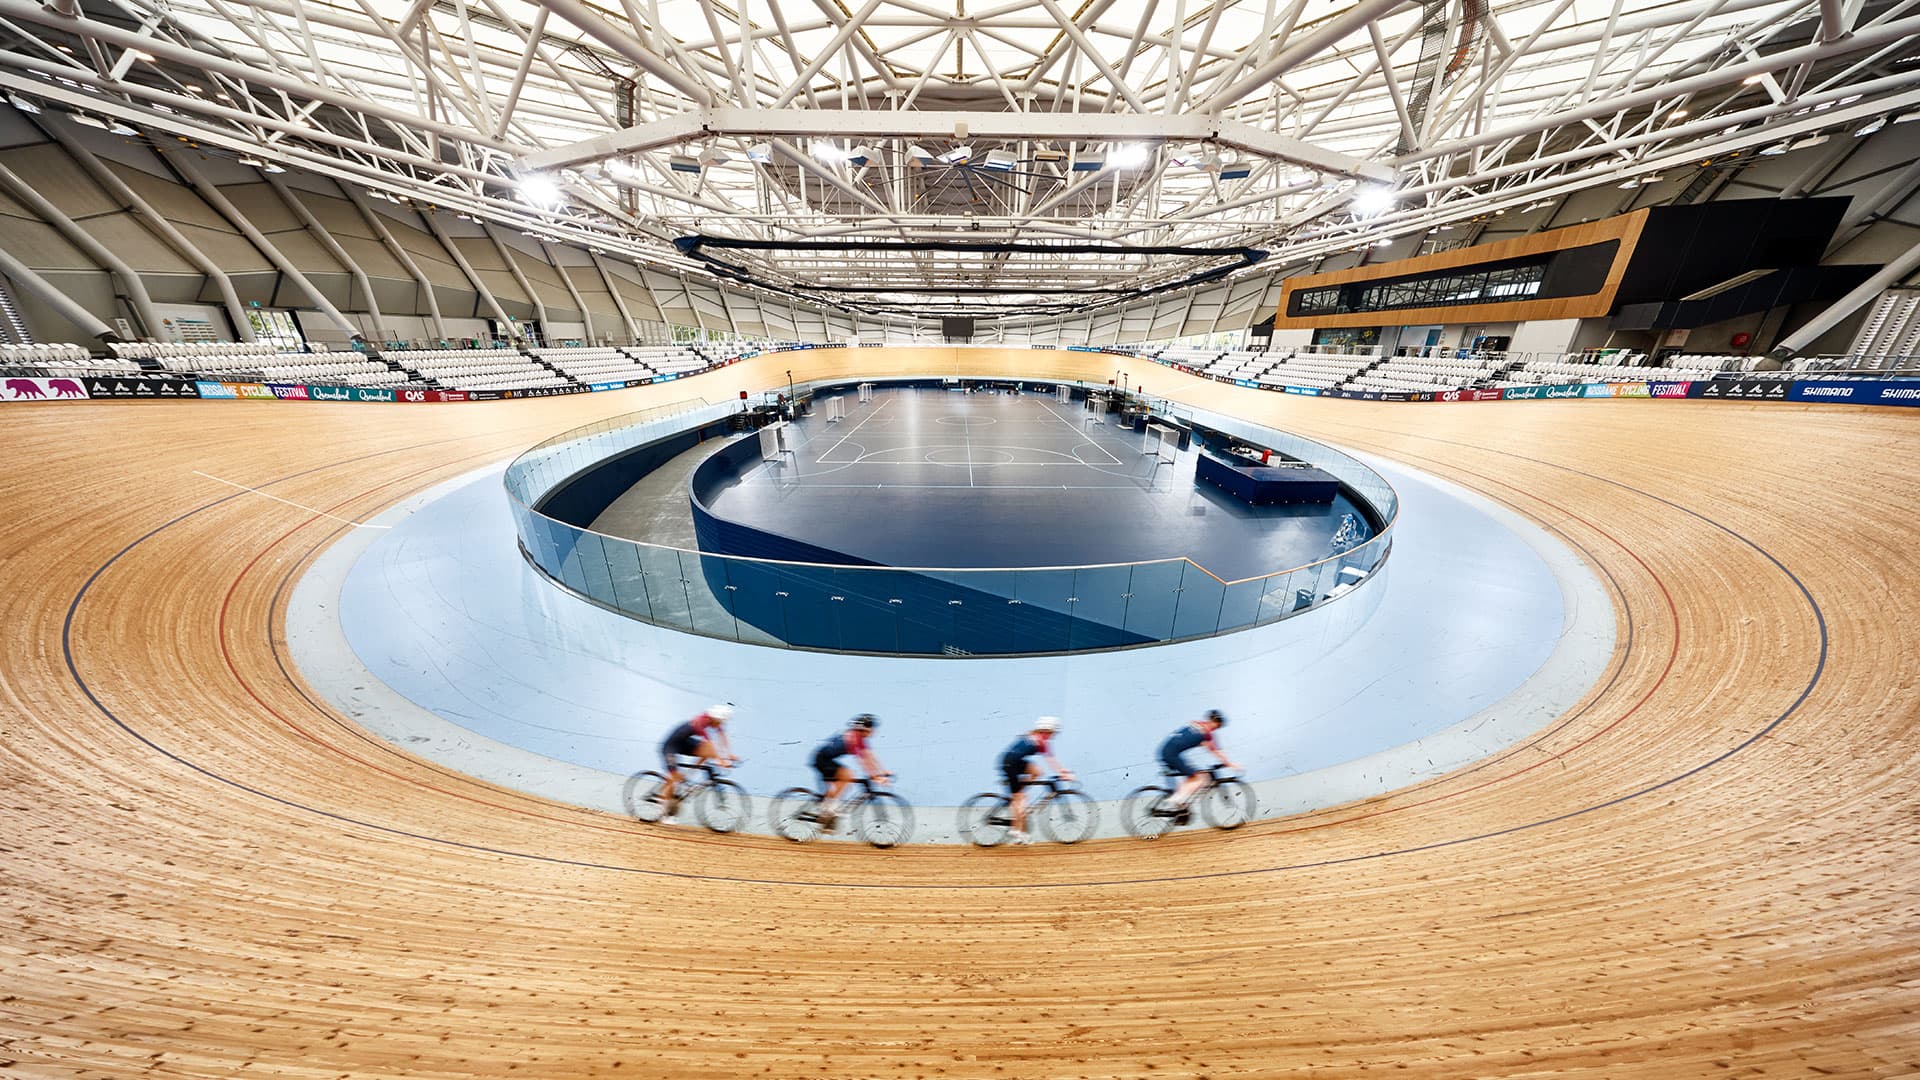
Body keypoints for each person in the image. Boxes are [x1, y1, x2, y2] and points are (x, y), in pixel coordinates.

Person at [656, 704, 737, 821]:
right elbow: (709, 743)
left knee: (707, 751)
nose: (720, 725)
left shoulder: (714, 721)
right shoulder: (700, 722)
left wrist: (729, 754)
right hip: (671, 746)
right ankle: (664, 812)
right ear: (714, 719)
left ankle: (689, 775)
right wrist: (721, 761)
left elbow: (722, 736)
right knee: (674, 777)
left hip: (684, 743)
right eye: (720, 722)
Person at [999, 716, 1071, 845]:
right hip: (1010, 764)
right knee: (1020, 800)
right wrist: (1062, 773)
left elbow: (1050, 759)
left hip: (1013, 761)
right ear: (1046, 731)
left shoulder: (1034, 736)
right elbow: (1050, 760)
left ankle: (1020, 799)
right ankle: (1016, 831)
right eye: (1052, 733)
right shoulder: (1039, 740)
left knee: (1037, 772)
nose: (1053, 735)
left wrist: (1062, 771)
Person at [1154, 709, 1239, 817]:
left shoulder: (1196, 724)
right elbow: (1216, 751)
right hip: (1172, 754)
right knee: (1199, 778)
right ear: (1217, 723)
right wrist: (1230, 764)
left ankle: (1180, 803)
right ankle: (1177, 800)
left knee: (1192, 775)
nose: (1216, 728)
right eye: (1218, 725)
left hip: (1166, 751)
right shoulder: (1207, 734)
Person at [810, 714, 888, 828]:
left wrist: (882, 771)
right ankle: (828, 812)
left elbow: (870, 757)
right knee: (847, 775)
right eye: (871, 727)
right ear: (864, 728)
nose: (873, 730)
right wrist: (875, 776)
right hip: (821, 759)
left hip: (825, 759)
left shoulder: (860, 739)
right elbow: (863, 761)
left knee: (840, 784)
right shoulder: (854, 737)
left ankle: (827, 816)